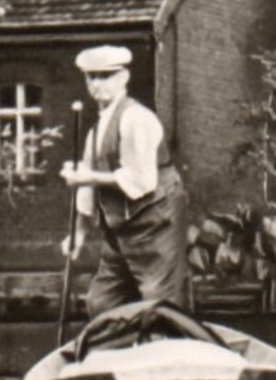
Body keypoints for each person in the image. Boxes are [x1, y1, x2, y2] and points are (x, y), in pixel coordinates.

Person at [59, 45, 189, 315]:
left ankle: (166, 350)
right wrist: (78, 233)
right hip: (121, 233)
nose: (97, 84)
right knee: (101, 303)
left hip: (156, 225)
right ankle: (118, 352)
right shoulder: (95, 132)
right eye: (91, 77)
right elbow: (85, 188)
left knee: (159, 306)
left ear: (123, 78)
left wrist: (87, 176)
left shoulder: (136, 119)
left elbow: (142, 180)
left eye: (105, 76)